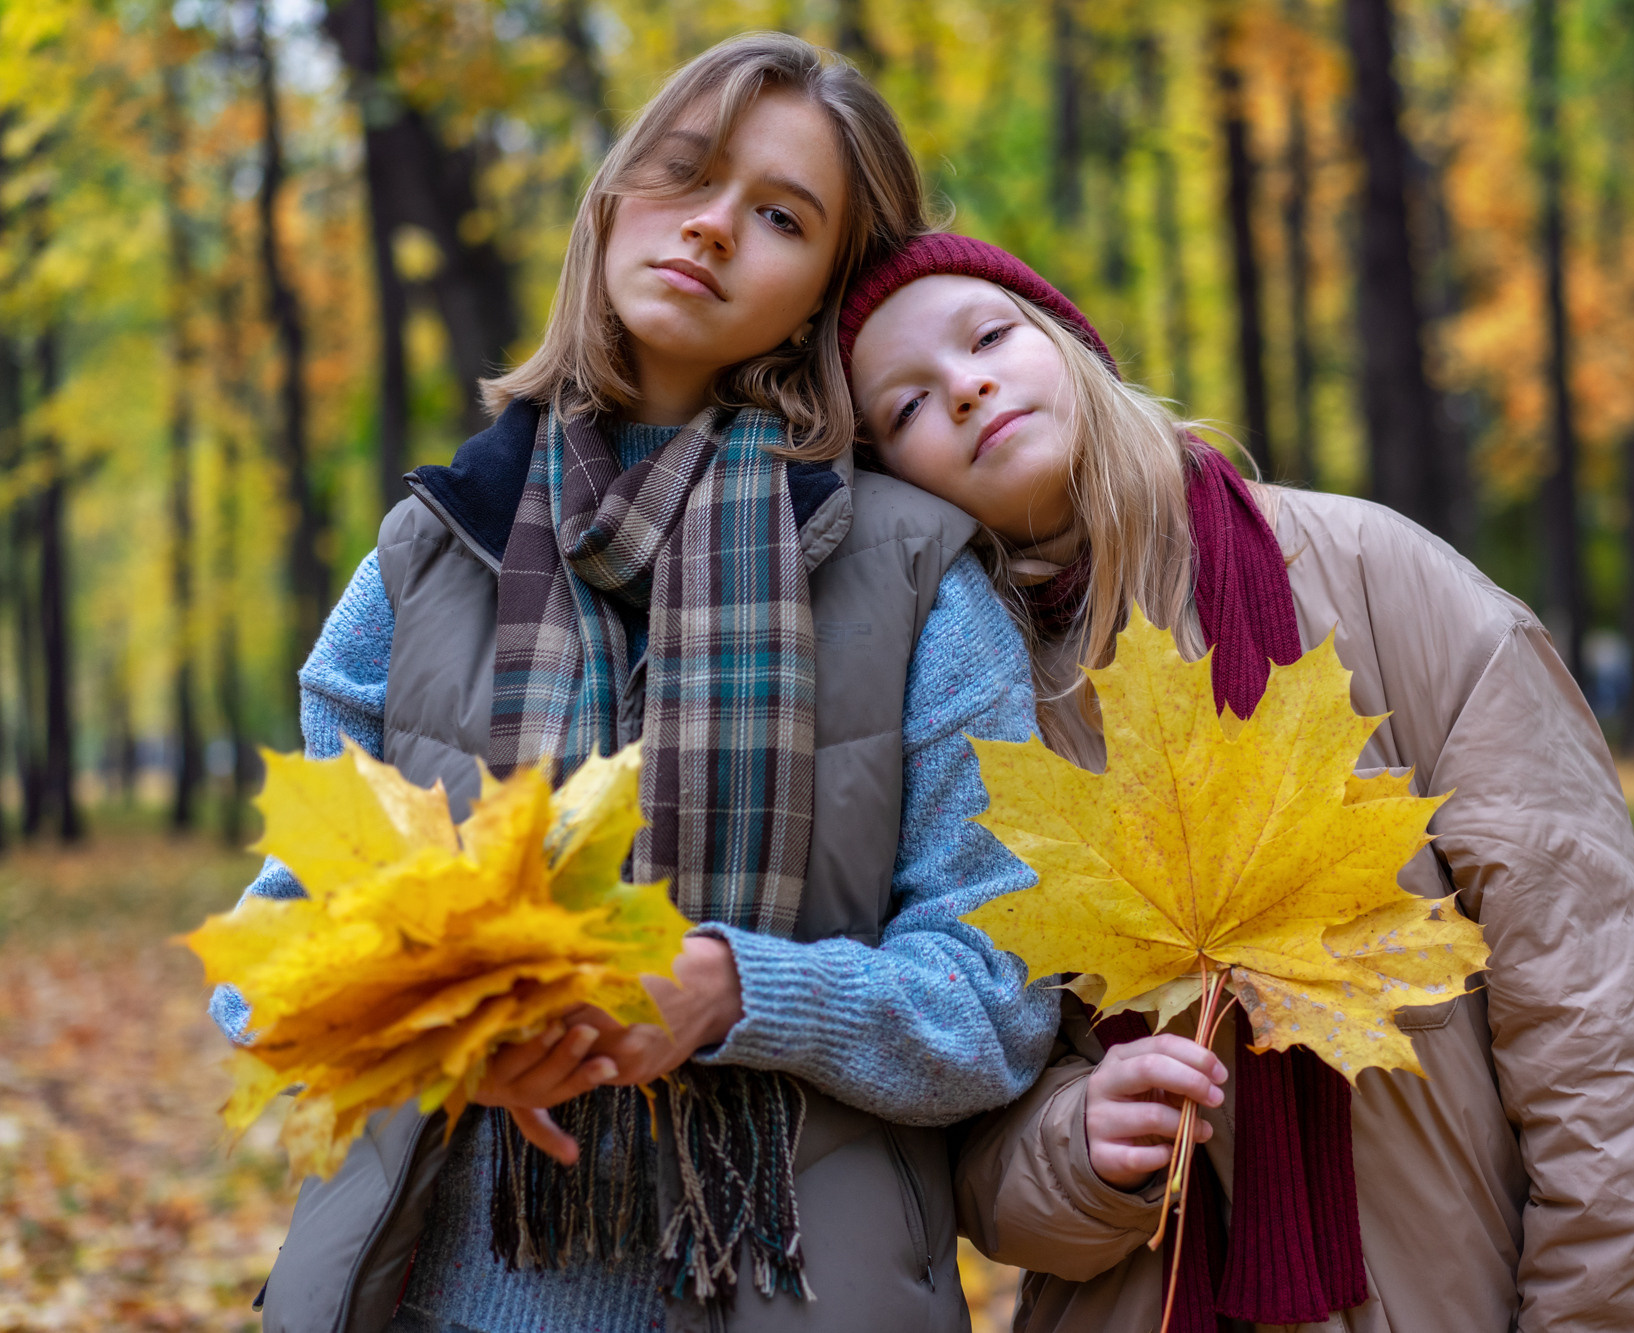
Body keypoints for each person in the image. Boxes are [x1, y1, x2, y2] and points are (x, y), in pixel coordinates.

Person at [209, 42, 1058, 1333]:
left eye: (781, 216)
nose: (715, 227)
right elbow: (265, 963)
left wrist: (734, 990)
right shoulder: (433, 554)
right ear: (613, 200)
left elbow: (1001, 1001)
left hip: (794, 1293)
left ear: (820, 293)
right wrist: (445, 1024)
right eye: (686, 174)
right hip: (439, 1290)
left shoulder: (917, 577)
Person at [838, 234, 1634, 1333]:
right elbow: (963, 1147)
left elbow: (1603, 1034)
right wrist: (1079, 1149)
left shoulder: (1375, 579)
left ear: (1068, 343)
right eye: (906, 407)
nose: (963, 389)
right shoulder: (956, 717)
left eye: (989, 337)